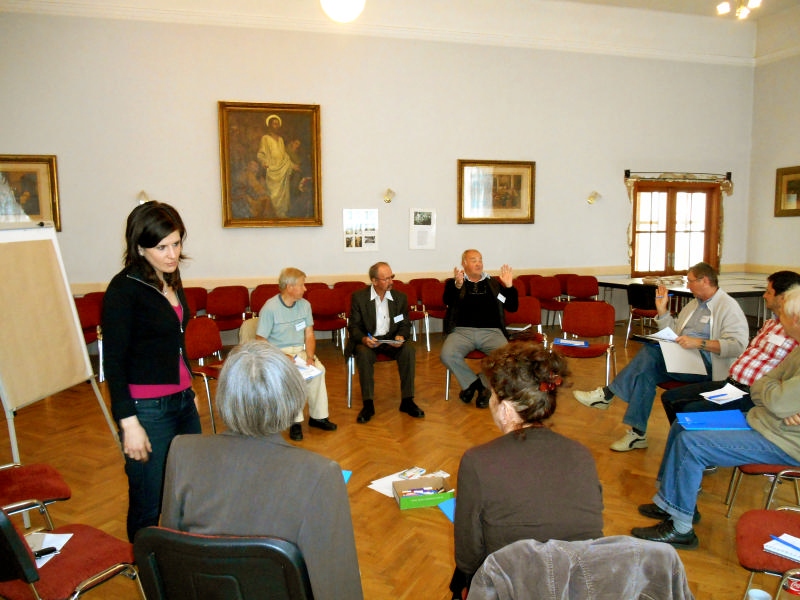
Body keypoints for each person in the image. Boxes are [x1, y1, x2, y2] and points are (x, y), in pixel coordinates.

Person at [161, 341, 363, 600]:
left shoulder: (182, 451)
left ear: (225, 396)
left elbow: (170, 557)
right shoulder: (320, 474)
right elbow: (338, 588)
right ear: (293, 399)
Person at [631, 284, 800, 549]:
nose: (781, 322)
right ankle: (671, 502)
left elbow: (775, 397)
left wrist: (774, 394)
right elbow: (764, 384)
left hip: (784, 440)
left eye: (786, 317)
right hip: (764, 418)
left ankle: (681, 528)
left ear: (796, 319)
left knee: (692, 444)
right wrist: (774, 393)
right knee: (682, 425)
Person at [451, 341, 603, 599]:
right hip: (579, 586)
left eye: (493, 396)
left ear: (506, 409)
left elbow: (468, 557)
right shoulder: (582, 454)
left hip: (513, 587)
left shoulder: (478, 461)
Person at [102, 201, 202, 542]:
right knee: (148, 501)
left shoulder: (170, 277)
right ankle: (146, 570)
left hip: (182, 401)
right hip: (147, 410)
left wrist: (189, 387)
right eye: (162, 247)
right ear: (140, 247)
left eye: (176, 243)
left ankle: (181, 560)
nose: (172, 254)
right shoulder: (123, 290)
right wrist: (128, 423)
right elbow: (113, 362)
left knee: (187, 490)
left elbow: (175, 340)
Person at [573, 262, 749, 452]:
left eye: (690, 281)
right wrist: (662, 310)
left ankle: (607, 394)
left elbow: (737, 345)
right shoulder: (693, 305)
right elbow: (673, 333)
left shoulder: (728, 306)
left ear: (704, 280)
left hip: (708, 365)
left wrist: (699, 343)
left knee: (651, 353)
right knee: (646, 373)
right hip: (684, 359)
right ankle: (637, 434)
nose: (688, 285)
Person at [660, 271, 800, 424]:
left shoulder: (794, 331)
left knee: (691, 410)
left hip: (752, 393)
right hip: (732, 383)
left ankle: (691, 434)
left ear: (783, 297)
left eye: (769, 292)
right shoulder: (770, 324)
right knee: (670, 398)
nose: (764, 295)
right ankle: (685, 434)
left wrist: (791, 405)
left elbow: (792, 379)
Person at [256, 267, 337, 441]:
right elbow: (260, 340)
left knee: (318, 370)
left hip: (300, 351)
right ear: (289, 287)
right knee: (294, 376)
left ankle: (318, 417)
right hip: (278, 353)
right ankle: (295, 422)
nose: (305, 289)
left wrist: (310, 357)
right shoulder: (270, 308)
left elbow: (309, 334)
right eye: (301, 285)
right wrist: (282, 357)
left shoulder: (305, 305)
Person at [441, 249, 519, 408]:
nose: (478, 264)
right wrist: (457, 285)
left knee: (507, 359)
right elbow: (447, 300)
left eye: (480, 260)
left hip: (492, 332)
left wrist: (509, 286)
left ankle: (480, 384)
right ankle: (476, 385)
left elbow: (512, 307)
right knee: (447, 355)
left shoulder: (493, 284)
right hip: (461, 332)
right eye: (473, 260)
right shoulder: (454, 282)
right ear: (464, 263)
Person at [346, 261, 420, 423]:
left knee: (408, 350)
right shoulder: (359, 297)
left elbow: (404, 323)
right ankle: (368, 404)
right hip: (369, 340)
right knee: (363, 354)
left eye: (391, 277)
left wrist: (400, 336)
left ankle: (407, 400)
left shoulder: (400, 298)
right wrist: (364, 339)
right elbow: (354, 327)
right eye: (386, 279)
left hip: (391, 339)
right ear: (374, 281)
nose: (391, 281)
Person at [256, 114, 299, 218]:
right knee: (273, 194)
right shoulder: (265, 138)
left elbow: (284, 156)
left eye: (277, 124)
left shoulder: (280, 139)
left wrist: (292, 165)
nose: (276, 126)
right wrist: (264, 162)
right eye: (274, 124)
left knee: (283, 195)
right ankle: (273, 214)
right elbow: (261, 153)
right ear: (270, 125)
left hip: (282, 169)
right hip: (272, 170)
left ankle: (282, 214)